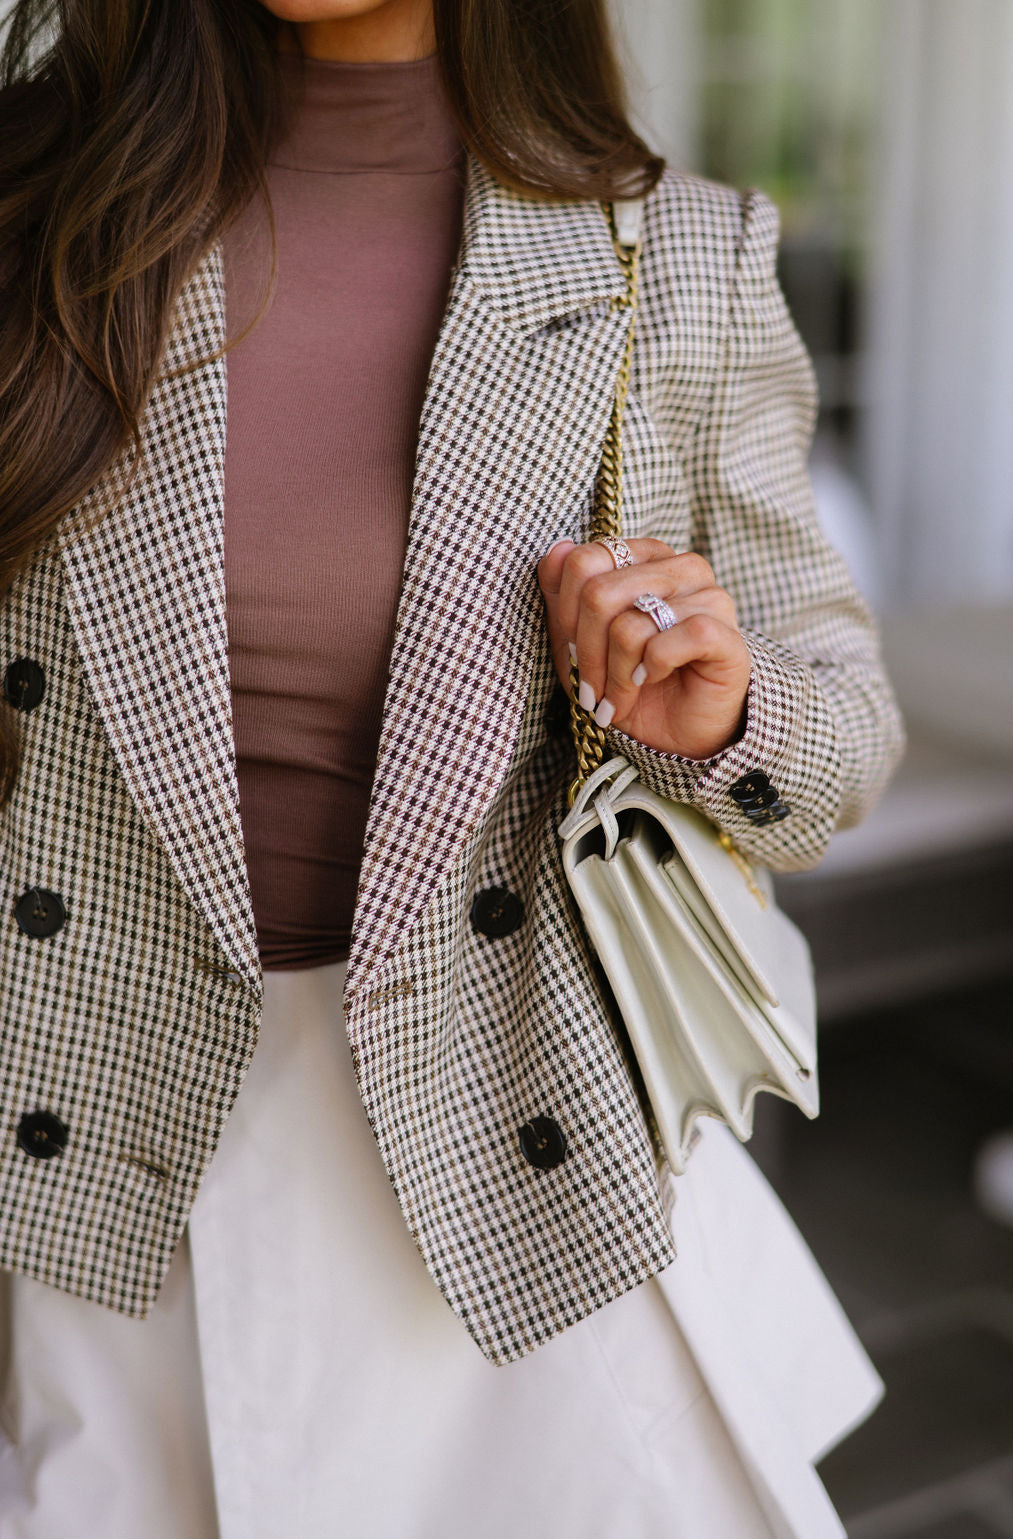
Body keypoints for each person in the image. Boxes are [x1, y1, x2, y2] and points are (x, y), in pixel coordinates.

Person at [0, 1, 905, 1535]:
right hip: (97, 1138)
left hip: (512, 1153)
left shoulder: (666, 255)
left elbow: (842, 738)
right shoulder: (35, 203)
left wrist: (724, 714)